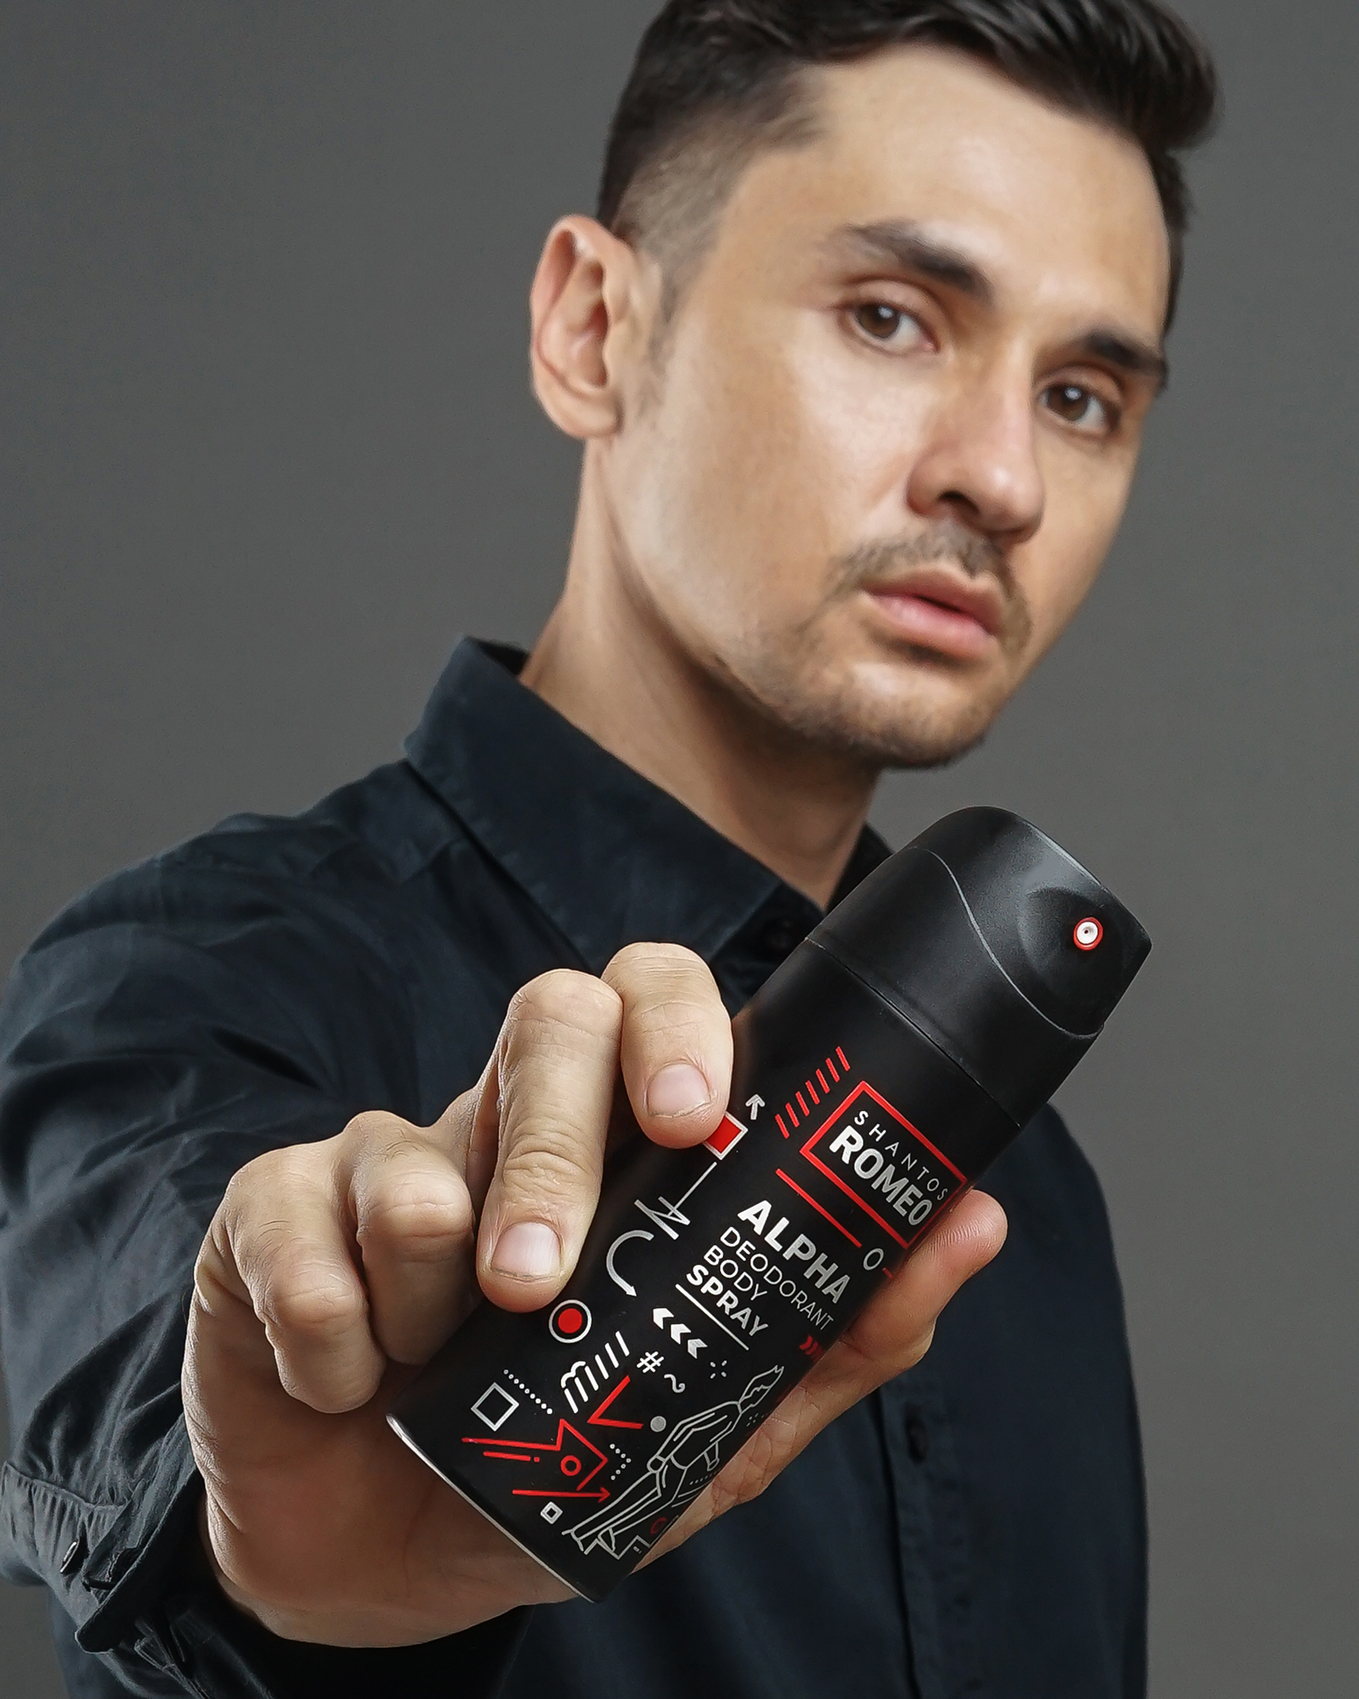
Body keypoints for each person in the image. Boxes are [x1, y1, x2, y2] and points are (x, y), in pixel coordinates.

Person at [0, 2, 1218, 1695]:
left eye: (1081, 396)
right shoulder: (190, 993)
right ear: (593, 327)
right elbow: (174, 1387)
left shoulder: (1026, 1187)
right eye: (890, 316)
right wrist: (285, 1549)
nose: (1002, 477)